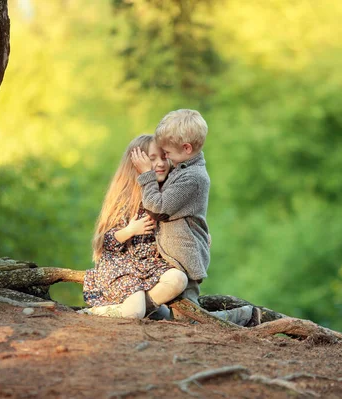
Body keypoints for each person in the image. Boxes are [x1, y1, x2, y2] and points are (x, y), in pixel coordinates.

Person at [131, 109, 261, 326]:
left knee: (189, 318)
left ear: (187, 148)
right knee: (177, 313)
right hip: (175, 256)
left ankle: (244, 316)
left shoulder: (193, 177)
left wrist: (147, 175)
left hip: (185, 256)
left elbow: (157, 207)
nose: (166, 159)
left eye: (168, 153)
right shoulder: (182, 167)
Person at [81, 135, 187, 319]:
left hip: (151, 265)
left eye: (164, 157)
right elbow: (103, 241)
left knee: (178, 279)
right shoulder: (125, 198)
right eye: (152, 159)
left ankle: (145, 307)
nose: (160, 163)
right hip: (122, 266)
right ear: (136, 163)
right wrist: (130, 230)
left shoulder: (168, 194)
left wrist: (198, 237)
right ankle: (97, 312)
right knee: (135, 313)